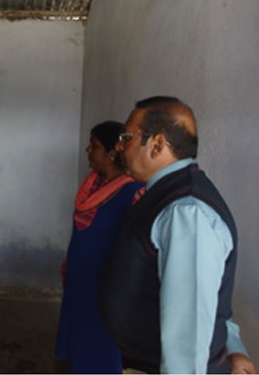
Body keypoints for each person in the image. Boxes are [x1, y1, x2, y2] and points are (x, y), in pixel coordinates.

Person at [98, 96, 257, 373]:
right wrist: (233, 344)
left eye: (127, 137)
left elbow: (188, 335)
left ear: (157, 144)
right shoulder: (167, 197)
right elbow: (209, 297)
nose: (120, 146)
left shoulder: (186, 212)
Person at [55, 121, 144, 373]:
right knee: (78, 332)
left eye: (94, 146)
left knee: (99, 342)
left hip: (105, 285)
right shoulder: (93, 184)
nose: (88, 151)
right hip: (80, 277)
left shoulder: (133, 193)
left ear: (112, 153)